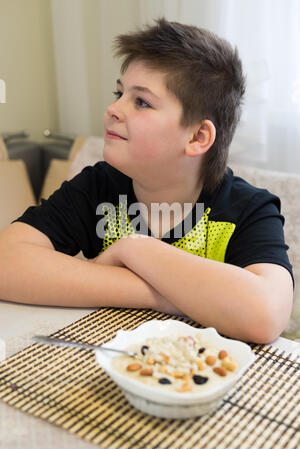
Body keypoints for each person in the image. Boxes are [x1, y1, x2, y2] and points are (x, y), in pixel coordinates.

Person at [0, 18, 293, 343]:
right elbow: (6, 262)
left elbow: (266, 316)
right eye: (119, 92)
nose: (113, 108)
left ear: (197, 136)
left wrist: (135, 248)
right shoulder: (98, 187)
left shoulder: (249, 207)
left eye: (141, 101)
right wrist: (177, 297)